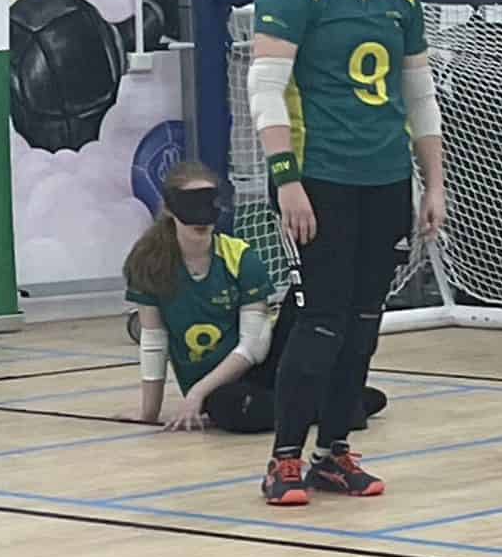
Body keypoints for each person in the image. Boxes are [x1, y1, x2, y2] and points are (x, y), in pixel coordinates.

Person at [246, 0, 445, 507]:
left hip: (384, 178)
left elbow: (419, 98)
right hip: (321, 179)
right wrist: (286, 181)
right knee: (322, 320)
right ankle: (283, 459)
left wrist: (433, 182)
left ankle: (334, 451)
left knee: (364, 322)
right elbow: (266, 93)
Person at [119, 162, 388, 434]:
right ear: (169, 208)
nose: (201, 216)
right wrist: (149, 412)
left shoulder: (240, 258)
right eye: (190, 203)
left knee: (308, 295)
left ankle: (320, 399)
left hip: (263, 367)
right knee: (232, 410)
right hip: (222, 388)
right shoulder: (148, 264)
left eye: (209, 202)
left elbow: (254, 347)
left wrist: (196, 393)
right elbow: (154, 341)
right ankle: (328, 403)